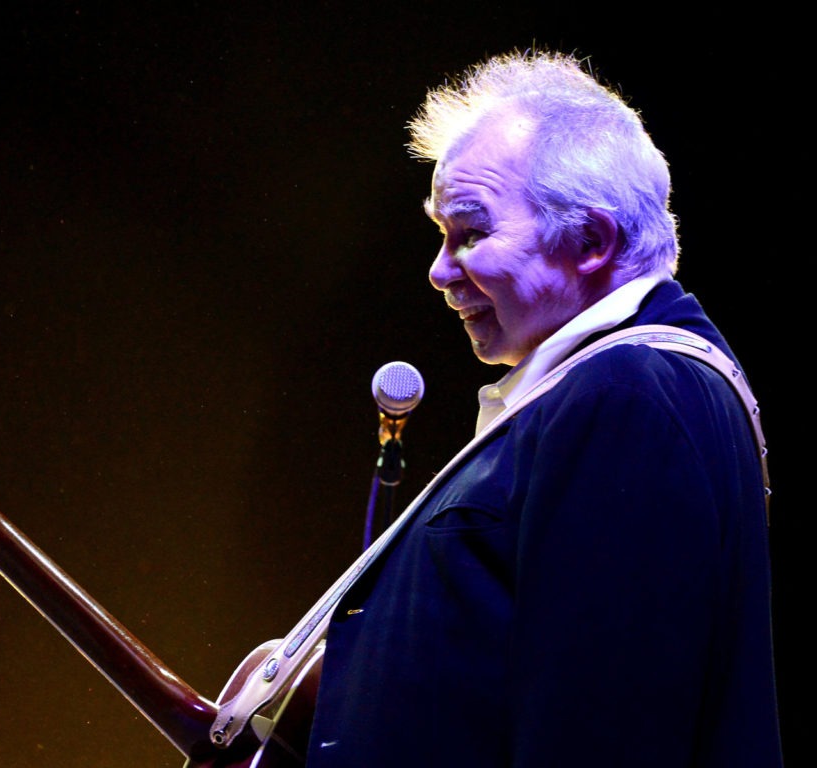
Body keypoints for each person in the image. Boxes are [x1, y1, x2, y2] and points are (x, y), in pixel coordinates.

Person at [303, 50, 782, 767]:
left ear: (592, 241)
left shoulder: (629, 395)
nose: (438, 272)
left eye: (470, 233)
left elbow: (603, 739)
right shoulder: (619, 390)